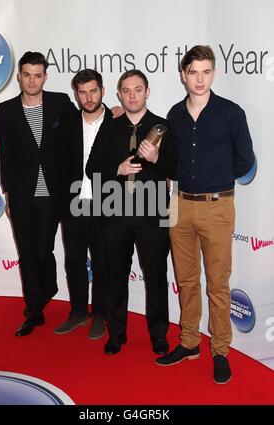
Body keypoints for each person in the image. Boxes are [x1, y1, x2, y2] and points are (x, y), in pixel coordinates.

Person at [155, 45, 255, 384]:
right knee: (185, 281)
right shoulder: (174, 115)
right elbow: (169, 161)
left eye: (205, 71)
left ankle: (221, 350)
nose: (199, 79)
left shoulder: (231, 113)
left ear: (213, 74)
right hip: (180, 205)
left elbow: (245, 161)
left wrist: (217, 177)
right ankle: (189, 342)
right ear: (183, 75)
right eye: (193, 72)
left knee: (217, 284)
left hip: (217, 206)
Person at [86, 70, 177, 355]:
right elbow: (91, 168)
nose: (132, 95)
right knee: (115, 277)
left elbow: (175, 169)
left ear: (147, 92)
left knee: (156, 277)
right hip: (115, 214)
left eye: (138, 89)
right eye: (126, 90)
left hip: (152, 214)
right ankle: (117, 334)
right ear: (119, 95)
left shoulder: (163, 126)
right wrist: (118, 169)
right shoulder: (109, 127)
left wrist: (157, 158)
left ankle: (159, 334)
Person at [0, 51, 75, 336]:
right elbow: (6, 155)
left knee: (43, 249)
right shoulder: (5, 110)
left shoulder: (60, 103)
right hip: (20, 194)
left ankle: (48, 287)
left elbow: (84, 126)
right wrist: (7, 193)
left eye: (37, 75)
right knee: (26, 252)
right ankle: (34, 312)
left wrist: (112, 112)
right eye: (27, 74)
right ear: (19, 76)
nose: (31, 80)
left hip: (51, 193)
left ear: (45, 76)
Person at [54, 69, 110, 339]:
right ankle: (78, 312)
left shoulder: (117, 121)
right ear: (76, 94)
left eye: (93, 91)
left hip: (106, 207)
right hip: (73, 205)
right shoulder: (66, 123)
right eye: (83, 92)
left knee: (102, 264)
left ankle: (100, 315)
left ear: (103, 91)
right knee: (74, 261)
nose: (89, 97)